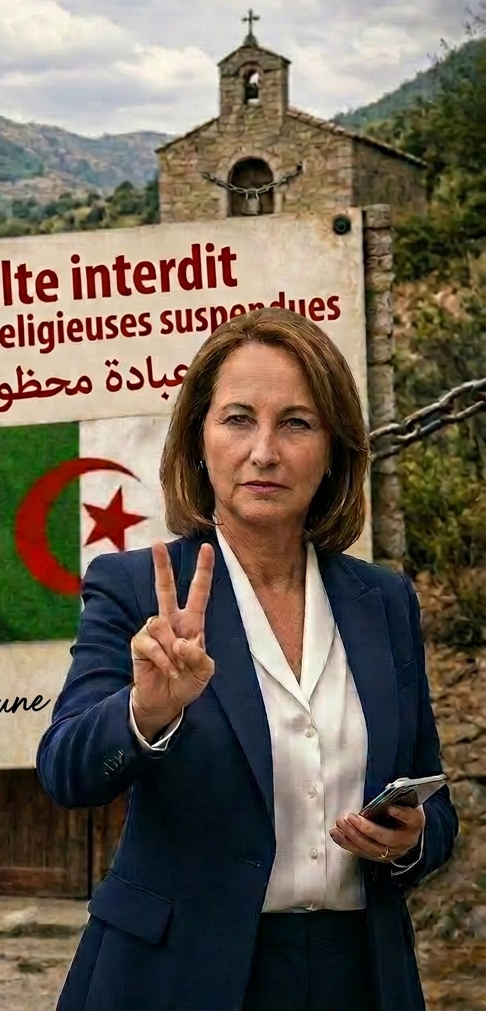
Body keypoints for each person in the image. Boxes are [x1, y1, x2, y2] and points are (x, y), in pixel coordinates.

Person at [36, 308, 458, 1011]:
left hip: (360, 974)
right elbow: (65, 772)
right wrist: (146, 712)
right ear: (198, 441)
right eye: (238, 419)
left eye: (296, 423)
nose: (264, 451)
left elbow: (434, 805)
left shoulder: (384, 602)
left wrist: (410, 839)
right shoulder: (134, 587)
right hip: (176, 975)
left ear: (333, 450)